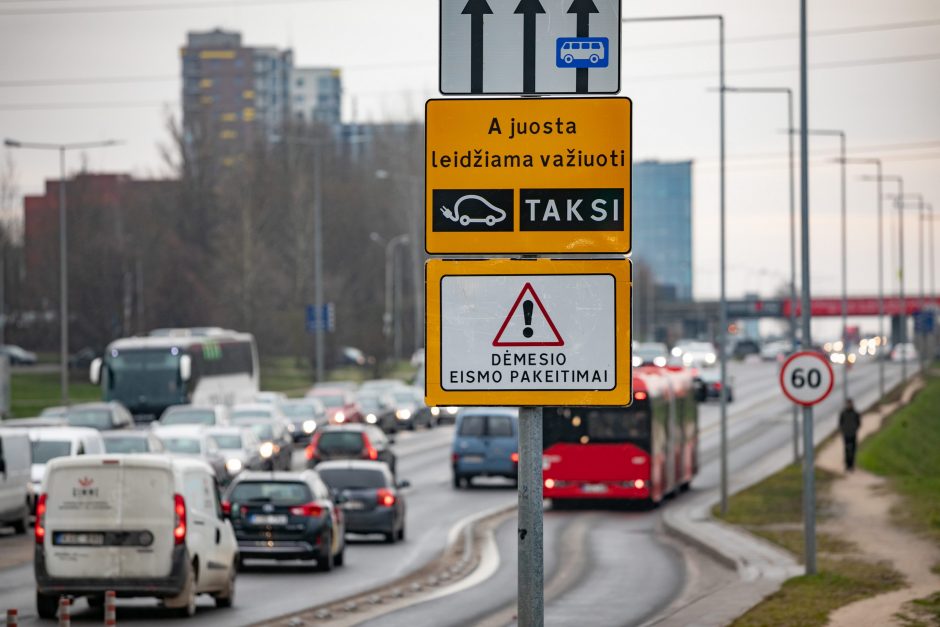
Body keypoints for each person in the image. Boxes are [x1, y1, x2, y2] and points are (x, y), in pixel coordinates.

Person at [839, 399, 861, 471]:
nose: (849, 405)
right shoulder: (843, 413)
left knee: (853, 450)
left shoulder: (855, 413)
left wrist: (854, 429)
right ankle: (847, 465)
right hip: (846, 434)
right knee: (847, 450)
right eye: (848, 404)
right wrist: (843, 430)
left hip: (853, 434)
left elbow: (858, 423)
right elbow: (840, 423)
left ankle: (852, 465)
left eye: (850, 404)